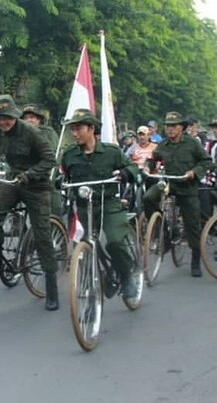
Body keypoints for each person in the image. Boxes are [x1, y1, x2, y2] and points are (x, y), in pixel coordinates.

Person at [0, 94, 59, 310]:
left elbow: (50, 159)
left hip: (37, 186)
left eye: (7, 118)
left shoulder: (32, 132)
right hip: (14, 182)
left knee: (42, 236)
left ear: (14, 115)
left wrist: (30, 174)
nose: (3, 122)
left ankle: (51, 288)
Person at [61, 109, 140, 300]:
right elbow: (63, 174)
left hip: (109, 204)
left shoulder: (111, 152)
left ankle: (126, 274)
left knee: (114, 241)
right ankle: (94, 277)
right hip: (83, 206)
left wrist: (124, 174)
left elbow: (133, 167)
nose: (75, 133)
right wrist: (58, 181)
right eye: (73, 129)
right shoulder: (69, 154)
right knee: (86, 244)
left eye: (79, 128)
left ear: (91, 129)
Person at [143, 112, 213, 277]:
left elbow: (207, 161)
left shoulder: (192, 143)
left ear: (181, 127)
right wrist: (148, 166)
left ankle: (195, 260)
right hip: (169, 183)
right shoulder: (164, 144)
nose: (170, 129)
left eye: (173, 126)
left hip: (188, 186)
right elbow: (154, 159)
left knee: (192, 224)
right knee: (148, 198)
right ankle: (163, 235)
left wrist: (194, 172)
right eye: (167, 126)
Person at [20, 104, 61, 216]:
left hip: (44, 176)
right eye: (26, 118)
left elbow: (52, 155)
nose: (29, 120)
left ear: (39, 119)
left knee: (53, 208)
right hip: (21, 178)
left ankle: (57, 228)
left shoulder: (47, 133)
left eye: (32, 117)